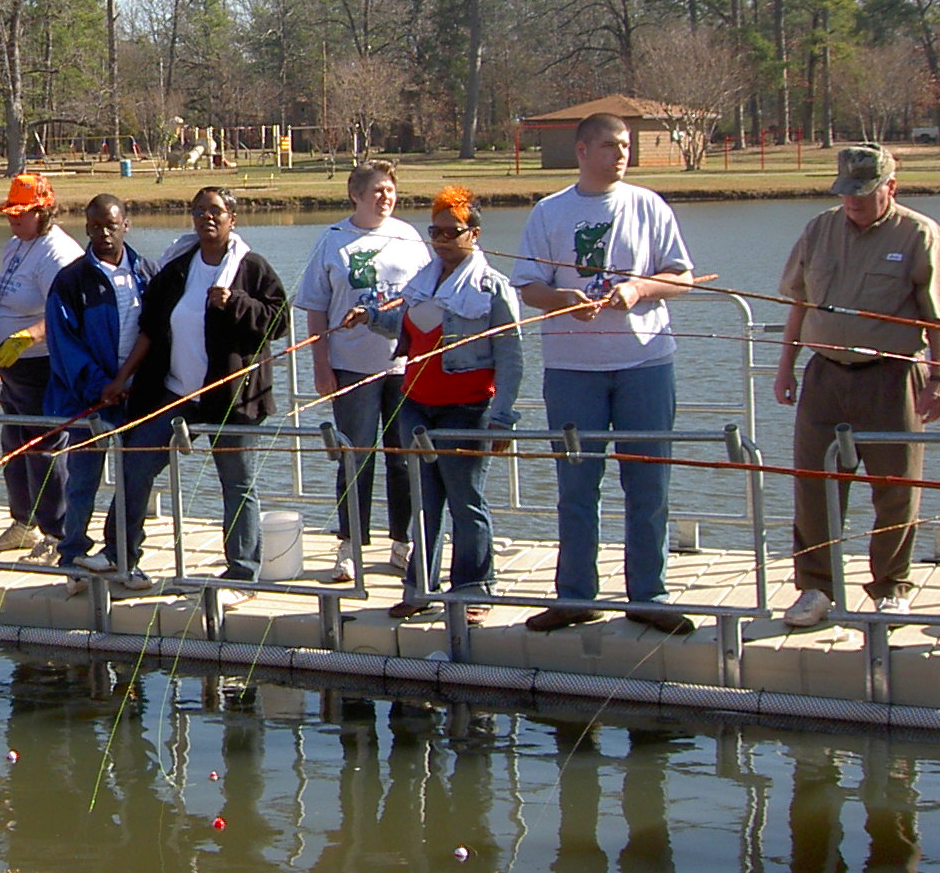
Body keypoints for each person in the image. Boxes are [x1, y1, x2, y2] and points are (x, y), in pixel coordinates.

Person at [511, 111, 696, 635]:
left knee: (648, 484)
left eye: (626, 146)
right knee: (576, 484)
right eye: (611, 146)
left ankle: (650, 596)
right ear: (582, 150)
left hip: (646, 364)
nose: (622, 155)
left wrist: (638, 290)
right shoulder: (550, 212)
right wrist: (562, 300)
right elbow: (527, 286)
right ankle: (574, 596)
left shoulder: (649, 206)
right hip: (573, 369)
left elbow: (681, 277)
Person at [774, 143, 940, 625]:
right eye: (845, 191)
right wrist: (785, 366)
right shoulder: (819, 229)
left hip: (892, 377)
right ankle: (815, 587)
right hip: (825, 374)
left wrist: (939, 379)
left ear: (890, 187)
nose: (852, 201)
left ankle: (891, 585)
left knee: (896, 487)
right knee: (814, 484)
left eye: (864, 192)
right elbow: (799, 305)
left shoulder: (918, 233)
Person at [347, 187, 523, 621]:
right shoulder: (422, 282)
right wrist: (370, 317)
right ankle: (420, 588)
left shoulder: (491, 288)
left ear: (474, 234)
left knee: (466, 501)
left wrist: (502, 419)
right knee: (426, 503)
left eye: (452, 231)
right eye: (435, 231)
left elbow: (512, 357)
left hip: (467, 409)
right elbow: (405, 327)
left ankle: (474, 590)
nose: (442, 239)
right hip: (415, 406)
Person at [101, 186, 288, 590]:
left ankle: (241, 569)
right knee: (136, 463)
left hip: (230, 398)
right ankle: (120, 554)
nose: (207, 217)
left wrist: (236, 302)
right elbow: (151, 329)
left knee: (237, 483)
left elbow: (279, 320)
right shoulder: (178, 268)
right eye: (199, 210)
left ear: (231, 219)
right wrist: (122, 380)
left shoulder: (251, 267)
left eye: (216, 211)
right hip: (175, 392)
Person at [295, 160, 430, 582]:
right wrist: (321, 364)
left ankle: (403, 543)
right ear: (355, 194)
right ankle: (350, 545)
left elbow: (426, 299)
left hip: (403, 367)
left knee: (403, 459)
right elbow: (315, 306)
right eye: (376, 190)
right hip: (351, 367)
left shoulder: (408, 237)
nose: (384, 197)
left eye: (390, 190)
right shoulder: (334, 240)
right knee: (356, 458)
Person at [44, 194, 157, 571]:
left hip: (137, 396)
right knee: (83, 480)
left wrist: (136, 383)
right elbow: (64, 346)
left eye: (111, 225)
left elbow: (159, 332)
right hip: (91, 398)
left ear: (126, 223)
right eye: (95, 226)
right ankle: (73, 553)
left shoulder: (146, 273)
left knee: (134, 479)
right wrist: (100, 386)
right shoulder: (71, 281)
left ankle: (124, 554)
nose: (104, 234)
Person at [0, 174, 85, 552]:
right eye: (10, 213)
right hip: (11, 366)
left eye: (20, 214)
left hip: (42, 367)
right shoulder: (15, 245)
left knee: (45, 446)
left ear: (43, 212)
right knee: (13, 443)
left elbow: (69, 312)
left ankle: (57, 532)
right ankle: (23, 522)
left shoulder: (59, 254)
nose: (13, 220)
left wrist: (31, 335)